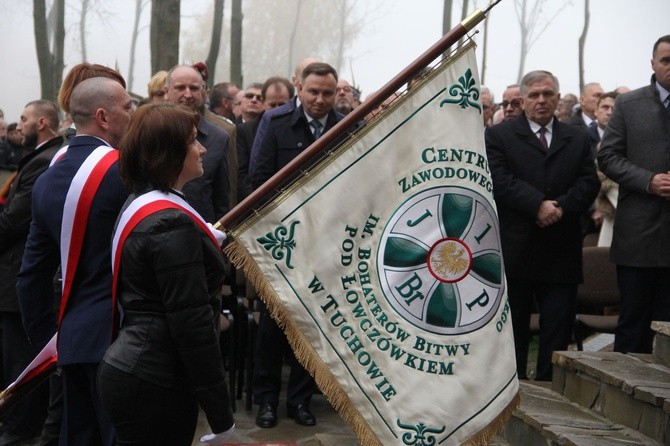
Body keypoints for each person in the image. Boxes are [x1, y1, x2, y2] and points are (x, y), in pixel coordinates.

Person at [97, 102, 235, 445]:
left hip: (142, 370)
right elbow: (193, 325)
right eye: (192, 141)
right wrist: (222, 418)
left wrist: (200, 242)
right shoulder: (169, 223)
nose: (203, 148)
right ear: (167, 152)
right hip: (155, 381)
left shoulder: (144, 202)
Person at [17, 77, 134, 446]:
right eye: (127, 107)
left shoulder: (47, 180)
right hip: (124, 339)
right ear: (103, 116)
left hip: (71, 340)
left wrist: (51, 342)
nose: (134, 114)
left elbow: (30, 277)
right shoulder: (127, 172)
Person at [251, 62, 350, 428]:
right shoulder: (275, 122)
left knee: (314, 324)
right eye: (313, 92)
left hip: (324, 241)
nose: (320, 100)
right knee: (272, 325)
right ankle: (266, 401)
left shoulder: (345, 125)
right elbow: (258, 178)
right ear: (300, 89)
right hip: (282, 240)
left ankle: (300, 400)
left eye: (327, 93)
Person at [485, 70, 600, 381]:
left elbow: (589, 182)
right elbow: (499, 181)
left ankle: (550, 389)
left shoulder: (576, 137)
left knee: (557, 326)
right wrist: (536, 204)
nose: (541, 100)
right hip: (517, 246)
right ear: (522, 101)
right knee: (515, 326)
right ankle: (513, 387)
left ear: (558, 98)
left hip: (560, 248)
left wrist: (558, 208)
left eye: (548, 94)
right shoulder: (500, 136)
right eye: (534, 95)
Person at [597, 35, 670, 354]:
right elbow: (607, 157)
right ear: (653, 64)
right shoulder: (629, 104)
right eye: (666, 60)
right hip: (638, 235)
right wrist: (647, 180)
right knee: (633, 323)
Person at [0, 100, 63, 446]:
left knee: (22, 361)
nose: (18, 125)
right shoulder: (38, 157)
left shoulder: (45, 161)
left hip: (22, 275)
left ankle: (21, 428)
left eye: (23, 119)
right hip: (13, 273)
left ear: (41, 123)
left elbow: (15, 220)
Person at [164, 64, 231, 222]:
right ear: (166, 91)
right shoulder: (148, 131)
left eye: (194, 88)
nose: (187, 95)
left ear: (204, 92)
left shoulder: (219, 137)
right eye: (180, 88)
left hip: (200, 232)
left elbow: (222, 199)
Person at [247, 57, 320, 178]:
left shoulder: (338, 119)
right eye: (306, 75)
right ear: (295, 81)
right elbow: (258, 168)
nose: (314, 81)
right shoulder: (273, 117)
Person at [237, 76, 293, 201]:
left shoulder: (296, 129)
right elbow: (241, 174)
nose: (277, 110)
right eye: (272, 105)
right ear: (263, 103)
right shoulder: (245, 131)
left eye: (282, 105)